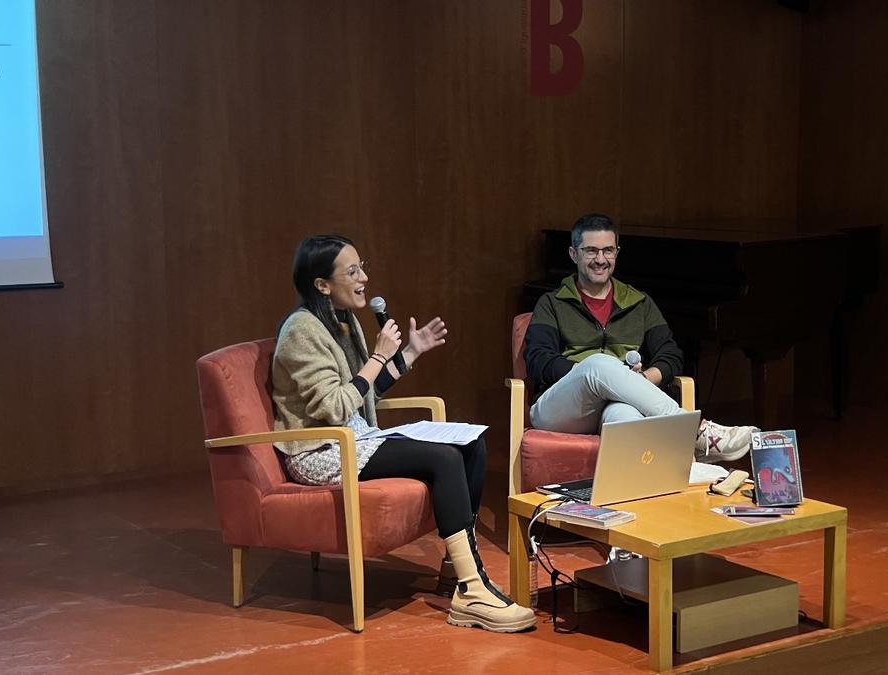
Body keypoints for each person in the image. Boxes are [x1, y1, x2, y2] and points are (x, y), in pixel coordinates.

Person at [271, 234, 535, 633]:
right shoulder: (301, 331)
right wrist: (379, 355)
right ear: (322, 284)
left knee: (470, 444)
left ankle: (458, 573)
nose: (364, 278)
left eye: (363, 266)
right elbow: (333, 407)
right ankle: (474, 590)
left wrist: (408, 353)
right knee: (442, 457)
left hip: (354, 436)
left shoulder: (343, 321)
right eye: (352, 270)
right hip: (320, 451)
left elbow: (364, 393)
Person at [524, 214, 758, 463]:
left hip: (615, 405)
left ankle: (629, 497)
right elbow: (540, 361)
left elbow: (671, 355)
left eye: (608, 251)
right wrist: (595, 375)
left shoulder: (639, 303)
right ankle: (693, 431)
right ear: (574, 254)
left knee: (627, 417)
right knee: (599, 365)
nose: (600, 259)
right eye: (591, 251)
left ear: (617, 252)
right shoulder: (552, 303)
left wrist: (639, 380)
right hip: (561, 409)